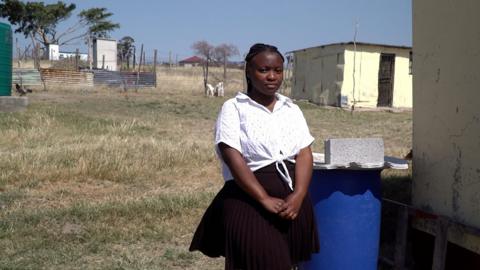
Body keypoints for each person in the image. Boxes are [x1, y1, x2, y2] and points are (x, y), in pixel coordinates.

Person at [189, 43, 319, 270]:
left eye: (278, 70)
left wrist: (298, 195)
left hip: (291, 204)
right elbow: (231, 154)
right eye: (264, 70)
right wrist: (263, 199)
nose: (272, 76)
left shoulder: (291, 109)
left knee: (287, 264)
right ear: (248, 71)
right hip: (249, 200)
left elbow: (304, 152)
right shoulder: (234, 108)